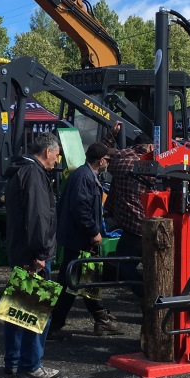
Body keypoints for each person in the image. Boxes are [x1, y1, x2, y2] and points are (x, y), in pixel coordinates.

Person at [49, 141, 123, 338]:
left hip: (77, 237)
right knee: (72, 281)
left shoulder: (85, 174)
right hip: (79, 238)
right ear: (100, 161)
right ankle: (56, 324)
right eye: (108, 159)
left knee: (81, 279)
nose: (109, 162)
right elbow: (81, 208)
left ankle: (98, 319)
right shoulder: (84, 177)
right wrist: (93, 231)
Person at [4, 132, 61, 378]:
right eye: (56, 155)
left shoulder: (20, 171)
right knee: (37, 313)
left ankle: (14, 361)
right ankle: (31, 364)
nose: (57, 161)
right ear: (47, 152)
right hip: (33, 254)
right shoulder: (35, 174)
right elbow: (38, 217)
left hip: (20, 250)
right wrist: (40, 253)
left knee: (18, 310)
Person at [102, 126, 154, 296]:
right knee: (153, 266)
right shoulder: (156, 165)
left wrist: (112, 134)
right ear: (150, 147)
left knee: (124, 264)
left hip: (133, 227)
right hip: (154, 224)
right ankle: (151, 293)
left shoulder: (120, 160)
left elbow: (100, 151)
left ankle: (144, 293)